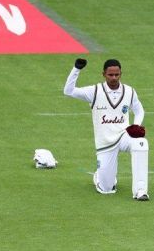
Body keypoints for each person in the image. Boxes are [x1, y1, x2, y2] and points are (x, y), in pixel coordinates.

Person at [63, 58, 149, 200]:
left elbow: (139, 110)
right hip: (105, 142)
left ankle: (140, 191)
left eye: (117, 74)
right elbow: (68, 91)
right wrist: (76, 69)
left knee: (141, 143)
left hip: (123, 135)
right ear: (103, 74)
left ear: (121, 73)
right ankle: (100, 177)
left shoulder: (129, 91)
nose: (114, 78)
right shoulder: (95, 91)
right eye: (110, 75)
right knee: (107, 189)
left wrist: (136, 125)